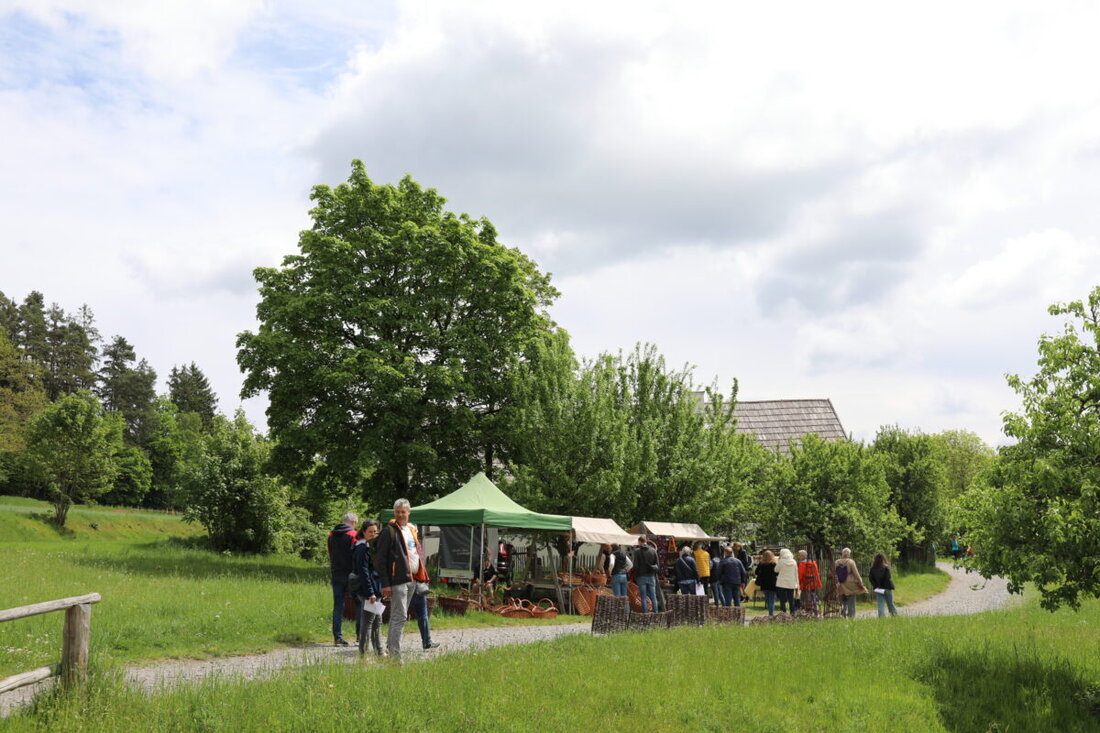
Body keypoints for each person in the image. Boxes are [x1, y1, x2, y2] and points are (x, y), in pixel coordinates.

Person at [374, 498, 434, 659]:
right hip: (397, 580)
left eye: (403, 512)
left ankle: (391, 648)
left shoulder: (411, 529)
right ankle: (394, 655)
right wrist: (385, 584)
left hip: (412, 579)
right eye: (397, 512)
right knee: (399, 616)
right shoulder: (389, 531)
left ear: (409, 512)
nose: (400, 515)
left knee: (401, 616)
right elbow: (380, 559)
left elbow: (415, 553)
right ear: (394, 513)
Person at [351, 520, 384, 656]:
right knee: (369, 621)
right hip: (367, 590)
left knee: (377, 620)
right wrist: (370, 592)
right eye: (370, 531)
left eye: (375, 531)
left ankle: (379, 651)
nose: (373, 534)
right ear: (363, 532)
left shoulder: (372, 547)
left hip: (375, 588)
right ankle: (363, 653)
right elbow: (363, 572)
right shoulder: (362, 548)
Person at [327, 511, 359, 646]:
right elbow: (357, 555)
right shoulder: (353, 535)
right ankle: (360, 635)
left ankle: (337, 637)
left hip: (336, 573)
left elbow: (330, 553)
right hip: (351, 575)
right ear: (353, 523)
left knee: (338, 606)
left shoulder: (331, 535)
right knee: (359, 604)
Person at [835, 547, 866, 619]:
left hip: (840, 582)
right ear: (849, 554)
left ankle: (843, 614)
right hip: (850, 583)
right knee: (851, 599)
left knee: (843, 599)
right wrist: (860, 582)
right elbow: (856, 573)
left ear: (842, 554)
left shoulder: (836, 562)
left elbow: (835, 572)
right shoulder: (851, 562)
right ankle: (851, 616)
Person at [632, 535, 660, 613]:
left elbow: (636, 566)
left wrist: (636, 576)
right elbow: (657, 565)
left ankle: (645, 614)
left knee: (643, 597)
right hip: (651, 576)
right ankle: (656, 613)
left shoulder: (637, 551)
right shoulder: (653, 550)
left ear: (640, 541)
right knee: (653, 596)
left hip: (641, 576)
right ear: (646, 541)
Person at [869, 552, 898, 618]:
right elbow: (888, 578)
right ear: (883, 559)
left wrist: (876, 585)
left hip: (878, 589)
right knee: (890, 603)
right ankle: (895, 616)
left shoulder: (872, 569)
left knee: (880, 604)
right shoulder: (886, 568)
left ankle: (881, 617)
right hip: (887, 588)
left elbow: (870, 579)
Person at [754, 550, 779, 615]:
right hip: (772, 583)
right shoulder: (774, 564)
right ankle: (771, 613)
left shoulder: (761, 564)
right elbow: (777, 573)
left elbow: (756, 572)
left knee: (767, 598)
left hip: (764, 583)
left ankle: (770, 612)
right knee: (772, 599)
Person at [775, 548, 800, 613]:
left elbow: (776, 570)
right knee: (791, 599)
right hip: (791, 583)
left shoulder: (781, 561)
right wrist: (797, 583)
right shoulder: (794, 561)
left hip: (781, 583)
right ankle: (792, 612)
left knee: (782, 599)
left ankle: (783, 612)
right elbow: (796, 572)